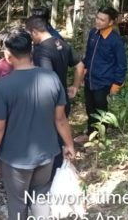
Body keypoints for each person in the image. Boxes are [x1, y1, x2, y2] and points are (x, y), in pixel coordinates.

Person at [0, 29, 75, 220]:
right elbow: (60, 118)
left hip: (15, 158)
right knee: (41, 194)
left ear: (8, 55)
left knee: (17, 200)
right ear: (31, 50)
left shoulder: (4, 86)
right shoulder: (52, 78)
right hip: (47, 152)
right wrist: (69, 144)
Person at [26, 16, 85, 178]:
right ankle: (58, 173)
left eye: (30, 35)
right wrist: (75, 86)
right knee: (60, 135)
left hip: (50, 102)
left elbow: (47, 79)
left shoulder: (41, 51)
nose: (31, 39)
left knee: (50, 138)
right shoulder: (62, 43)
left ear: (34, 32)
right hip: (63, 98)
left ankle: (51, 176)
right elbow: (80, 66)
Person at [79, 6, 127, 142]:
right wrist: (83, 73)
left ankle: (100, 138)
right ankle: (89, 133)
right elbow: (88, 56)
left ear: (110, 22)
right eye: (97, 18)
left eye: (102, 20)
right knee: (89, 108)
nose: (98, 21)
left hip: (104, 81)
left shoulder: (115, 40)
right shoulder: (93, 33)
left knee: (101, 110)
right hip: (90, 79)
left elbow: (121, 64)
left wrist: (117, 84)